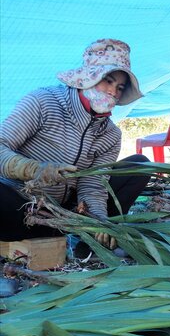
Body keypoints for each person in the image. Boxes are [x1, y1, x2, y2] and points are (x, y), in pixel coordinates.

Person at [0, 38, 150, 249]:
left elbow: (94, 185)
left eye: (120, 87)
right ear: (88, 77)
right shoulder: (44, 102)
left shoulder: (110, 135)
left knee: (139, 165)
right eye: (108, 80)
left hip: (64, 216)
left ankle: (93, 239)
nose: (113, 92)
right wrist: (34, 169)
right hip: (18, 206)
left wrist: (97, 220)